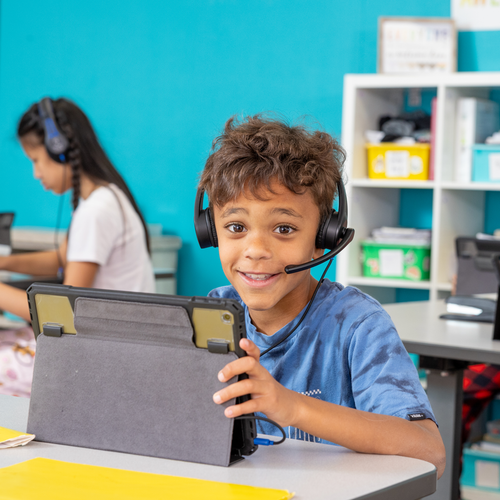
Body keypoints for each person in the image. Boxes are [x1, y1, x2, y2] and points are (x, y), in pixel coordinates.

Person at [196, 114, 446, 477]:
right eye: (236, 227)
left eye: (284, 228)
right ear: (211, 231)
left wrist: (291, 407)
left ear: (324, 239)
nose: (255, 250)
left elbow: (430, 453)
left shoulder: (358, 325)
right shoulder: (215, 313)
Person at [0, 97, 155, 323]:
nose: (36, 173)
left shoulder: (96, 210)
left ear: (58, 149)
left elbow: (62, 314)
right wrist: (3, 262)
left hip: (116, 349)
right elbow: (62, 259)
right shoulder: (104, 196)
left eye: (36, 160)